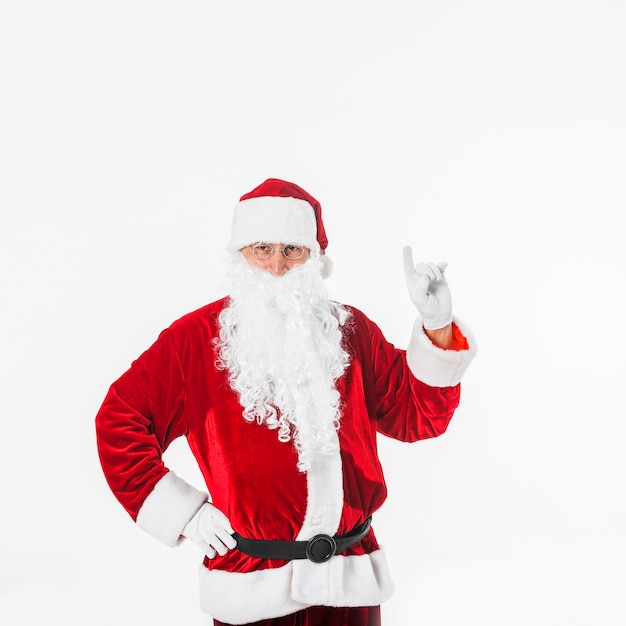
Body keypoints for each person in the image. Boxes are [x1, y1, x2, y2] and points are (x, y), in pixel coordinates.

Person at [95, 178, 477, 626]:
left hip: (349, 590)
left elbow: (416, 416)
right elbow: (119, 421)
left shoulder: (351, 333)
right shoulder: (194, 341)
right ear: (240, 255)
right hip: (251, 592)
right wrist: (185, 514)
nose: (276, 267)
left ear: (315, 259)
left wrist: (438, 326)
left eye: (292, 251)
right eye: (262, 249)